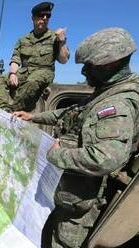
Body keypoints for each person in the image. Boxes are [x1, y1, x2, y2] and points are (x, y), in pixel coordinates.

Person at [13, 27, 139, 247]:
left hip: (79, 199)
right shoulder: (104, 92)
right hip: (67, 191)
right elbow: (68, 113)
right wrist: (34, 117)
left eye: (88, 66)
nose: (83, 73)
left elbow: (106, 158)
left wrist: (56, 155)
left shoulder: (116, 105)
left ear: (108, 64)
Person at [0, 1, 69, 112]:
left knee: (32, 81)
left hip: (44, 72)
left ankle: (11, 111)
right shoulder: (23, 39)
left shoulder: (55, 37)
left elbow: (64, 60)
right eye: (41, 15)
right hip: (25, 71)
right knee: (0, 79)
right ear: (33, 18)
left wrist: (62, 41)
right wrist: (12, 73)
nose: (44, 18)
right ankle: (2, 108)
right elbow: (15, 59)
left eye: (48, 16)